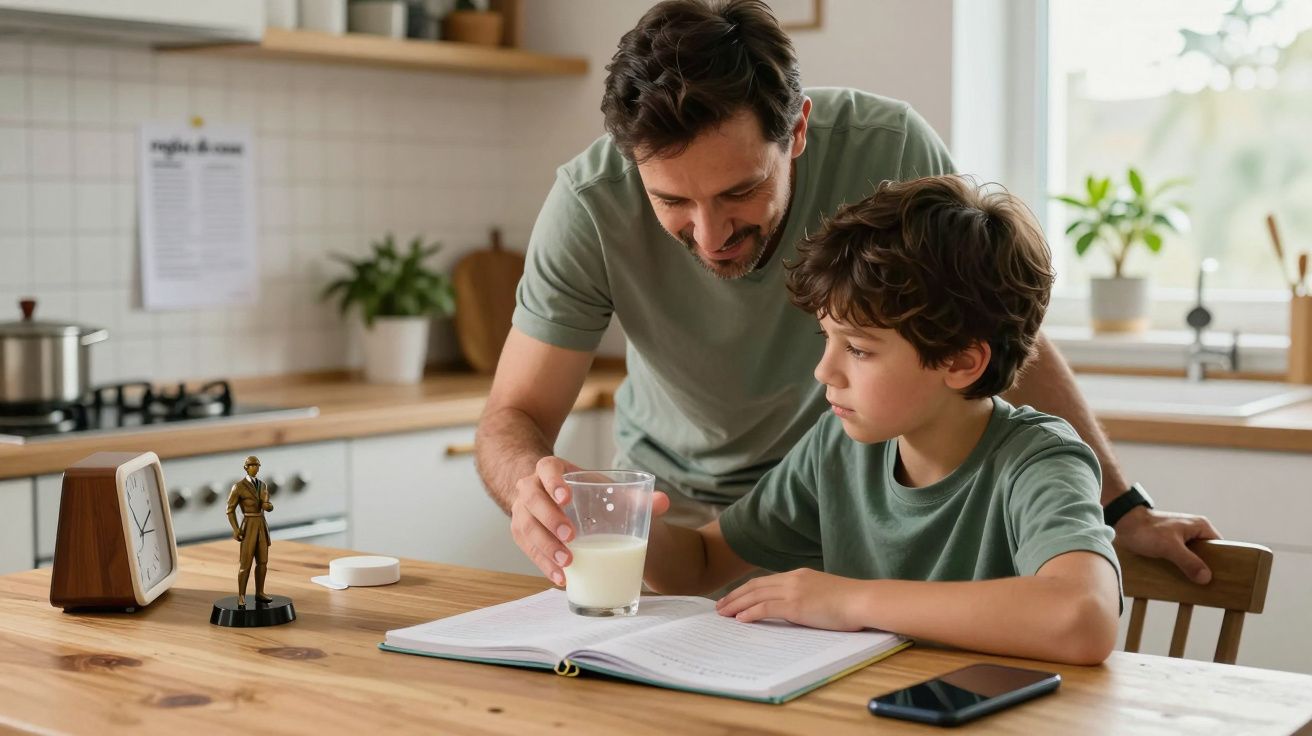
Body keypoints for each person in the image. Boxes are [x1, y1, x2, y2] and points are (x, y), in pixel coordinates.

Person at [475, 0, 1218, 591]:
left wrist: (1120, 509)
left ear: (796, 131)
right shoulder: (589, 202)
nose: (708, 236)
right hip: (696, 511)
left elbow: (990, 325)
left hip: (853, 494)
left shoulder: (889, 148)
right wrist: (539, 494)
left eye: (742, 191)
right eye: (672, 201)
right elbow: (515, 415)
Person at [643, 175, 1121, 664]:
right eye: (826, 338)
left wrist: (850, 599)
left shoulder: (1039, 461)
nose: (824, 370)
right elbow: (696, 565)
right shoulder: (839, 445)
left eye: (857, 349)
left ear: (959, 362)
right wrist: (615, 515)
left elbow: (1083, 617)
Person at [227, 455, 274, 607]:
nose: (255, 468)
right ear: (246, 468)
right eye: (252, 465)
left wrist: (268, 506)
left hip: (261, 524)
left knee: (263, 562)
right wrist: (235, 529)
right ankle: (241, 595)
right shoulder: (238, 487)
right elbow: (230, 510)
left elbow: (267, 504)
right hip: (248, 525)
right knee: (245, 564)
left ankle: (259, 592)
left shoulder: (263, 485)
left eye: (257, 466)